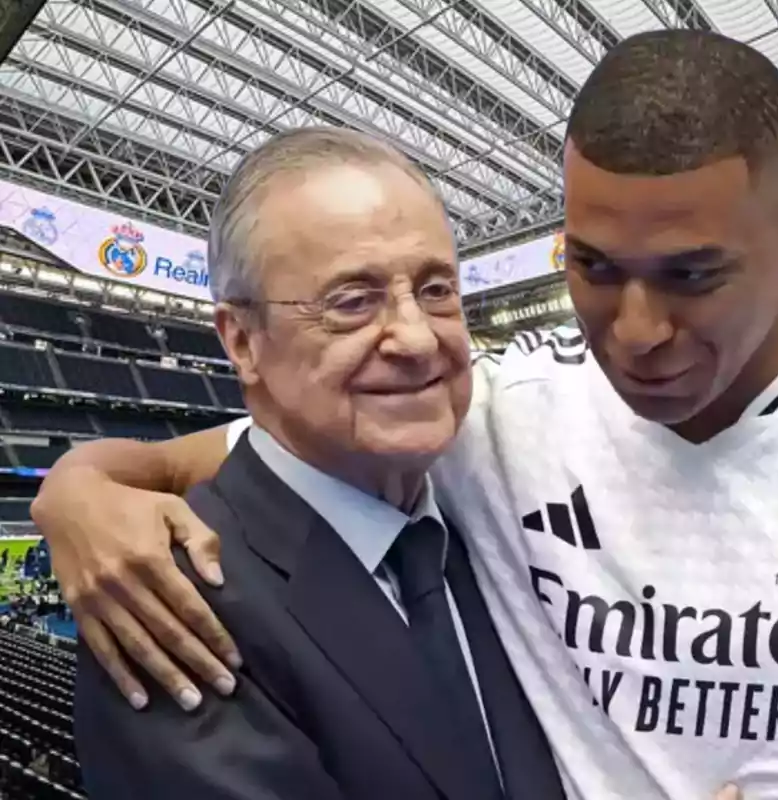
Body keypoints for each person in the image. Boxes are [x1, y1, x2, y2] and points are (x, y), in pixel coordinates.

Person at [33, 30, 778, 800]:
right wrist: (80, 485)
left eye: (690, 275)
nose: (633, 331)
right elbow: (241, 449)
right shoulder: (499, 413)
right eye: (592, 266)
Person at [68, 128, 566, 800]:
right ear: (243, 342)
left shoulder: (492, 516)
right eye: (352, 301)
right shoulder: (171, 604)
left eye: (437, 289)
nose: (418, 338)